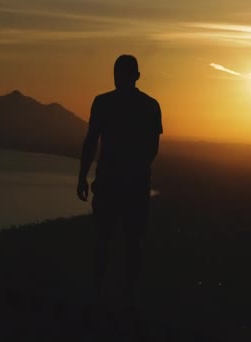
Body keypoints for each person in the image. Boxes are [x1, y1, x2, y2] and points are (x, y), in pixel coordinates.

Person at [77, 55, 163, 306]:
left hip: (111, 182)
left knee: (105, 240)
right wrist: (135, 171)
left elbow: (91, 141)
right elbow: (152, 149)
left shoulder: (103, 103)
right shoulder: (150, 105)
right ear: (137, 76)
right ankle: (127, 296)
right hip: (133, 183)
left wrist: (83, 176)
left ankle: (99, 292)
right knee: (132, 241)